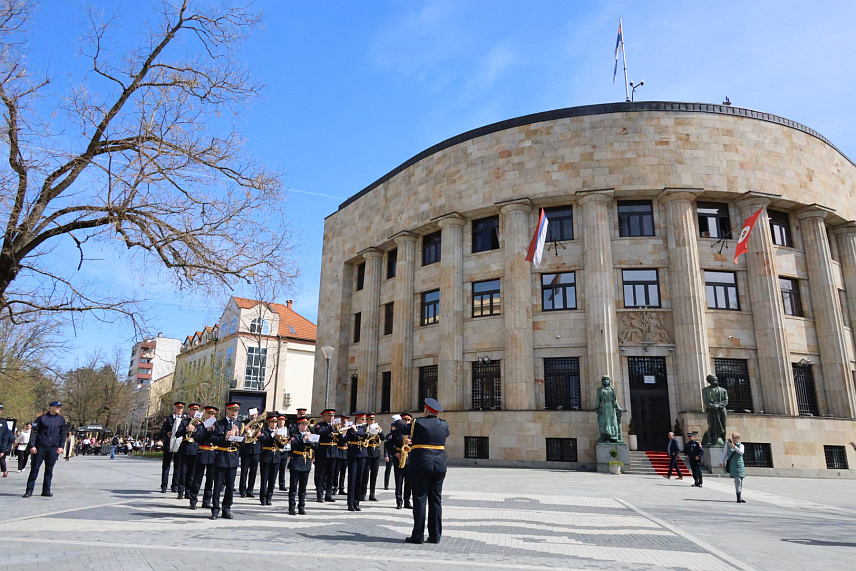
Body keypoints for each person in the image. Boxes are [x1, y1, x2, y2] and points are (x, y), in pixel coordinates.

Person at [405, 398, 449, 545]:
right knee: (436, 499)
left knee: (420, 498)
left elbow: (403, 429)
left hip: (422, 464)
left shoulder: (418, 422)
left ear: (425, 410)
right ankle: (435, 535)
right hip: (439, 464)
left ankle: (418, 535)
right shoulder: (443, 424)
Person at [24, 401, 68, 498]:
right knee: (35, 469)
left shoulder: (61, 420)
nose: (59, 408)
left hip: (53, 448)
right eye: (57, 407)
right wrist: (32, 445)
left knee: (49, 470)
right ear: (51, 407)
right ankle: (29, 490)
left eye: (60, 407)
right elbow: (34, 433)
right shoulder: (42, 419)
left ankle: (46, 490)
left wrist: (61, 446)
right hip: (40, 447)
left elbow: (63, 434)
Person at [210, 402, 243, 520]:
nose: (234, 413)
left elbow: (243, 442)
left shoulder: (239, 424)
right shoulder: (219, 424)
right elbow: (213, 439)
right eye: (232, 410)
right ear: (227, 410)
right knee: (218, 486)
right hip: (221, 457)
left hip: (233, 458)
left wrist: (238, 435)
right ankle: (215, 509)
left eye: (236, 411)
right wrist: (225, 437)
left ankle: (226, 509)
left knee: (230, 486)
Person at [193, 405, 219, 510]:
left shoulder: (217, 426)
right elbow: (197, 438)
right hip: (203, 452)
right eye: (208, 413)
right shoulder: (200, 426)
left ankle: (206, 501)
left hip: (213, 454)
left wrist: (212, 431)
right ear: (205, 414)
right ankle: (193, 500)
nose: (210, 416)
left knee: (210, 480)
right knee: (198, 478)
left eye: (212, 414)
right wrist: (207, 431)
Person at [176, 403, 202, 503]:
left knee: (192, 473)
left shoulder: (200, 423)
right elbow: (178, 433)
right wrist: (186, 429)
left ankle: (188, 492)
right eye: (193, 410)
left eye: (196, 410)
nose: (195, 412)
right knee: (183, 472)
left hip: (195, 448)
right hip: (185, 448)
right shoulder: (185, 421)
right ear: (190, 411)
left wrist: (197, 429)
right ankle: (180, 491)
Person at [342, 411, 368, 512]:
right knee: (352, 479)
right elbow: (343, 441)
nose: (364, 421)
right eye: (362, 419)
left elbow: (366, 435)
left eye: (365, 419)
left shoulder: (365, 428)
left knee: (359, 479)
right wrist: (343, 435)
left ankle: (357, 502)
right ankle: (350, 503)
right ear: (357, 419)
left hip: (363, 455)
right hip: (352, 454)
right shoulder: (350, 429)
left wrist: (356, 430)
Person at [287, 416, 313, 515]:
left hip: (306, 462)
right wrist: (304, 440)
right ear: (298, 425)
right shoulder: (295, 435)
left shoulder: (309, 434)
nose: (305, 426)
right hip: (296, 462)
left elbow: (316, 447)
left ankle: (301, 506)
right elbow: (294, 445)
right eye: (302, 424)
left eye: (306, 424)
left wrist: (313, 441)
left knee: (303, 488)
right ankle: (292, 507)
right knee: (293, 487)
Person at [312, 408, 337, 503]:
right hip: (323, 452)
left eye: (332, 416)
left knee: (331, 474)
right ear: (325, 416)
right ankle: (320, 495)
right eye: (329, 416)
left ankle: (329, 494)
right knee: (321, 474)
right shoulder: (320, 425)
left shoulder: (336, 427)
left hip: (333, 452)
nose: (331, 418)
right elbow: (320, 433)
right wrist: (331, 428)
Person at [160, 401, 186, 493]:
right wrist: (166, 433)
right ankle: (164, 485)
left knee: (178, 466)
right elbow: (162, 430)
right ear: (175, 408)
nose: (179, 409)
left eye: (181, 408)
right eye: (178, 407)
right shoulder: (169, 419)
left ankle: (175, 485)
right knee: (166, 465)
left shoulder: (185, 419)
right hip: (169, 444)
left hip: (179, 445)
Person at [258, 413, 280, 506]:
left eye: (276, 422)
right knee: (264, 479)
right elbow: (264, 440)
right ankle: (263, 498)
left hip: (276, 457)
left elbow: (282, 444)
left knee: (272, 479)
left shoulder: (279, 432)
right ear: (269, 422)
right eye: (273, 422)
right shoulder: (264, 432)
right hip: (266, 457)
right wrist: (273, 435)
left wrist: (280, 438)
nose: (274, 424)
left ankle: (269, 497)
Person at [392, 413, 413, 510]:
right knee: (399, 481)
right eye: (405, 420)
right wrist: (395, 453)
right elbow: (389, 444)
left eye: (408, 420)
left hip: (409, 458)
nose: (407, 422)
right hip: (399, 457)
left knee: (409, 482)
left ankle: (407, 501)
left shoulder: (412, 433)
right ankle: (399, 502)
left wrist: (412, 443)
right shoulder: (396, 432)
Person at [361, 412, 384, 502]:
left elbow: (383, 438)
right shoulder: (364, 428)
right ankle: (363, 494)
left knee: (374, 474)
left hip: (376, 453)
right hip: (367, 452)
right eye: (371, 419)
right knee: (365, 474)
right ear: (367, 420)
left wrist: (380, 432)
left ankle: (372, 494)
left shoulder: (377, 427)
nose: (372, 421)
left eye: (373, 419)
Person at [238, 410, 261, 498]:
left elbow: (262, 436)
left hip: (256, 450)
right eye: (252, 414)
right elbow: (240, 434)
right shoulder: (244, 423)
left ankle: (250, 490)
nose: (254, 415)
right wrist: (245, 430)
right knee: (244, 471)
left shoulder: (260, 423)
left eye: (255, 414)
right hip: (246, 449)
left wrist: (260, 434)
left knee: (253, 471)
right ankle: (242, 490)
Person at [720, 432, 746, 503]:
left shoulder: (741, 445)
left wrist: (734, 447)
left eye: (735, 438)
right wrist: (721, 461)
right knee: (737, 480)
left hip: (740, 463)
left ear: (738, 438)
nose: (734, 439)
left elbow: (741, 452)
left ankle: (740, 496)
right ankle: (738, 497)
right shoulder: (727, 445)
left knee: (741, 479)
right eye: (733, 437)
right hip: (733, 464)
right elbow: (724, 454)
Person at [275, 413, 290, 492]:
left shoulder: (287, 429)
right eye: (280, 420)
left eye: (282, 420)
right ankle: (272, 483)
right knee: (274, 469)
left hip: (284, 451)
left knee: (282, 469)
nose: (281, 422)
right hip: (277, 450)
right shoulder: (275, 429)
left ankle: (282, 484)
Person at [0, 403, 12, 478]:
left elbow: (5, 438)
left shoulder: (3, 423)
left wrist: (2, 450)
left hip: (0, 447)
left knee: (2, 460)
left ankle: (4, 470)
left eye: (1, 410)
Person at [384, 421, 397, 490]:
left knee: (396, 471)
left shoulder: (399, 435)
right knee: (388, 470)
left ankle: (397, 484)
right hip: (390, 454)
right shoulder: (389, 436)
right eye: (393, 427)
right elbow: (386, 446)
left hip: (396, 454)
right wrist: (386, 455)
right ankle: (386, 485)